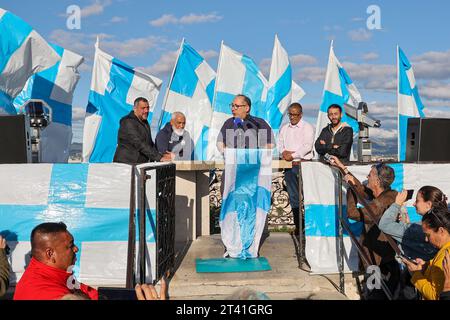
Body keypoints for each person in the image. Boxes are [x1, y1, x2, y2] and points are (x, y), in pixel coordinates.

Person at [329, 155, 399, 299]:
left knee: (376, 295)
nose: (367, 176)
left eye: (370, 175)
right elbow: (361, 189)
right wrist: (343, 168)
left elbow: (353, 213)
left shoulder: (385, 200)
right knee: (373, 292)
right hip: (376, 257)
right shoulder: (382, 194)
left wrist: (350, 189)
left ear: (378, 181)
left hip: (379, 261)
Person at [14, 222, 98, 300]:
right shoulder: (47, 293)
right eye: (71, 245)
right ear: (50, 254)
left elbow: (82, 289)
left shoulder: (54, 274)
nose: (76, 249)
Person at [379, 186, 446, 261]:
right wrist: (407, 224)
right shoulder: (444, 223)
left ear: (428, 205)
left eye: (417, 201)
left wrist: (397, 204)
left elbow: (384, 224)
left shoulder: (417, 229)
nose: (414, 204)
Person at [278, 103, 314, 236]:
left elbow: (307, 146)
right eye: (290, 114)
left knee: (309, 196)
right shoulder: (284, 128)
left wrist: (292, 155)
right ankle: (299, 227)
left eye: (295, 114)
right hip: (289, 167)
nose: (292, 117)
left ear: (301, 114)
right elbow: (280, 143)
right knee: (294, 197)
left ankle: (310, 227)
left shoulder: (307, 127)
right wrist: (284, 153)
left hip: (303, 165)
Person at [402, 207, 450, 300]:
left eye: (428, 235)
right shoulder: (444, 251)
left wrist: (415, 274)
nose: (426, 239)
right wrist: (426, 267)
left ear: (441, 231)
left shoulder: (445, 256)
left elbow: (436, 296)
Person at [113, 97, 172, 164]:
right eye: (143, 108)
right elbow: (139, 143)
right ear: (135, 109)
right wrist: (159, 158)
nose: (146, 111)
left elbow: (149, 144)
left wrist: (162, 155)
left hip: (138, 165)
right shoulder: (128, 122)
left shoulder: (145, 122)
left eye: (148, 108)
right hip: (125, 164)